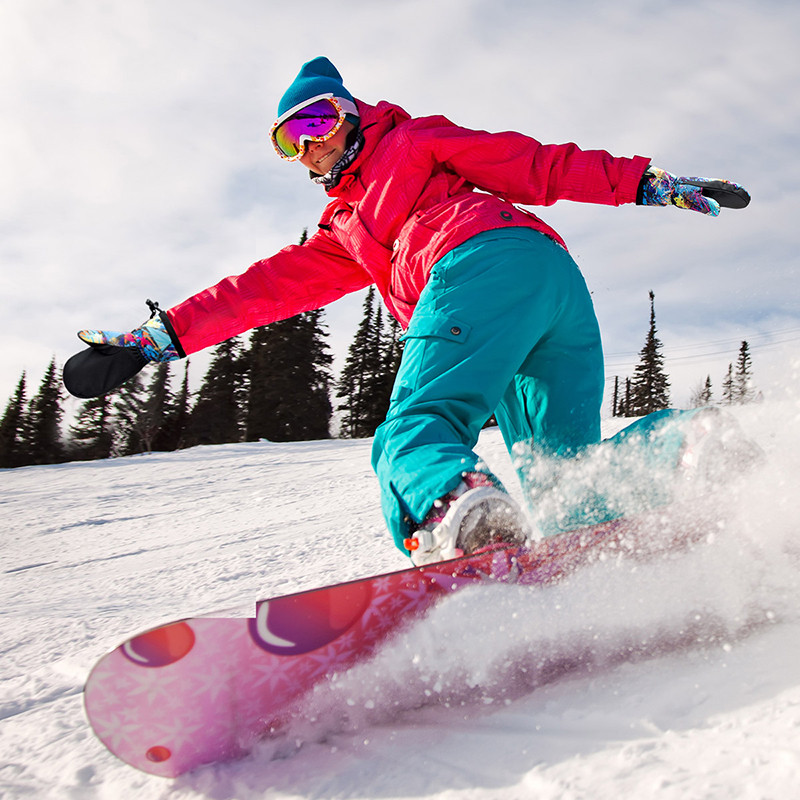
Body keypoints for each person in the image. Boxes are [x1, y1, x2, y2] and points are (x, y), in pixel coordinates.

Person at [72, 56, 751, 565]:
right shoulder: (345, 231)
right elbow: (259, 288)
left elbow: (532, 163)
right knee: (568, 487)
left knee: (413, 431)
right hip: (552, 290)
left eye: (317, 121)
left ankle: (460, 509)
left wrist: (647, 183)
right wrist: (156, 340)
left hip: (481, 263)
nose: (310, 144)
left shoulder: (412, 142)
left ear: (349, 113)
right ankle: (688, 450)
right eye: (290, 140)